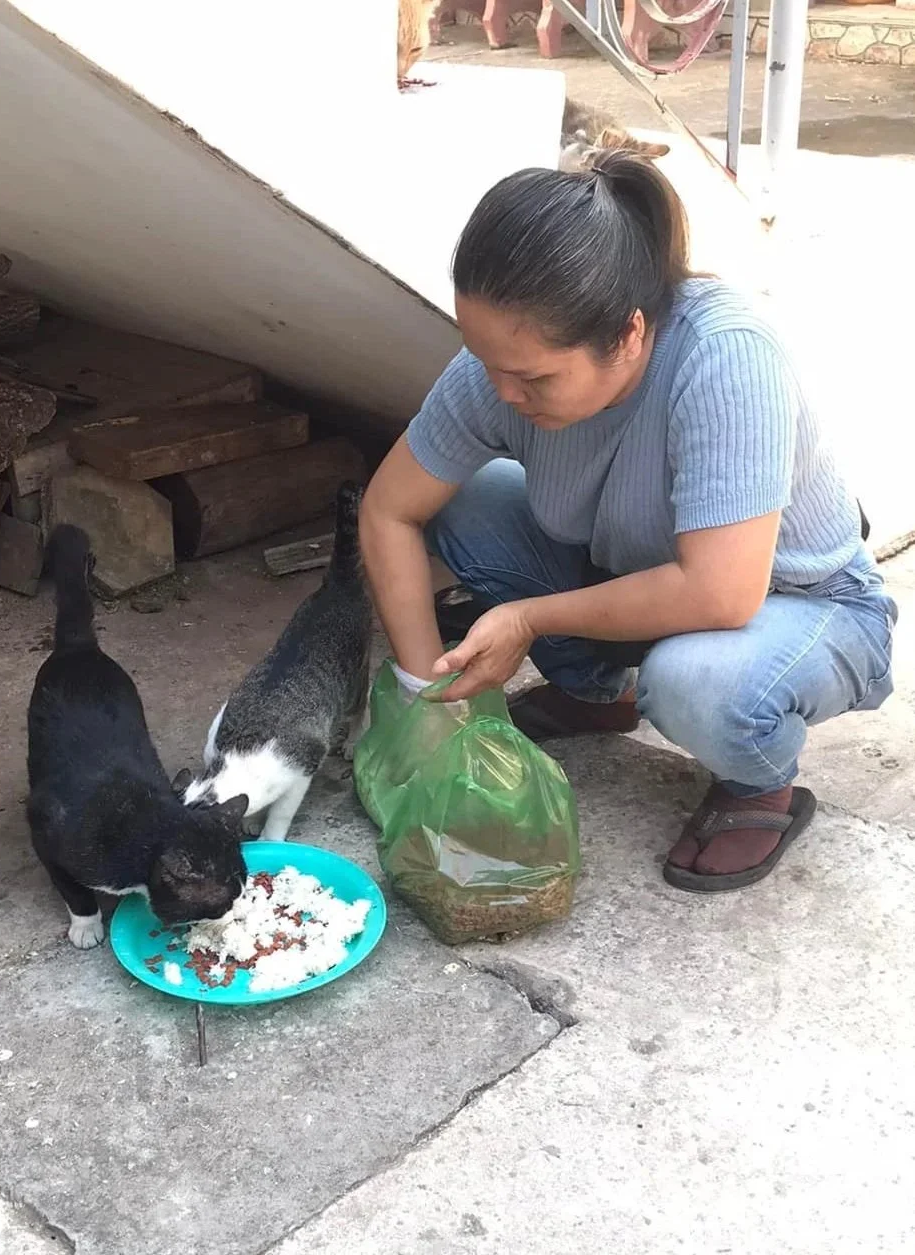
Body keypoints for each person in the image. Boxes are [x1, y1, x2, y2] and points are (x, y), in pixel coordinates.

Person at [359, 150, 895, 894]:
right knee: (462, 499)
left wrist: (525, 619)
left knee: (692, 683)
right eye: (485, 360)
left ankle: (757, 780)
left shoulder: (724, 356)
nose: (501, 391)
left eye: (535, 377)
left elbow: (721, 594)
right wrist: (432, 703)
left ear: (631, 334)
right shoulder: (504, 368)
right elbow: (389, 507)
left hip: (803, 605)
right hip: (638, 574)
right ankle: (597, 692)